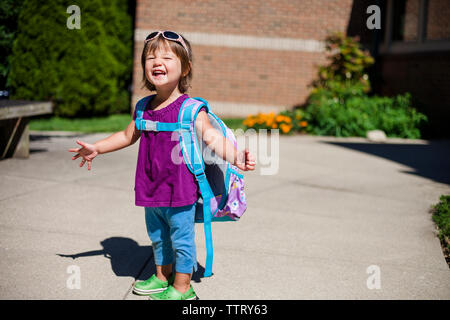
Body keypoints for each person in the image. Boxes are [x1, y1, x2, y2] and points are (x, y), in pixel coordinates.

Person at [68, 31, 256, 300]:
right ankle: (160, 276)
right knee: (157, 236)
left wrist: (235, 157)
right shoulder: (144, 106)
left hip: (180, 191)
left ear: (185, 67)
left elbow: (212, 137)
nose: (157, 61)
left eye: (167, 57)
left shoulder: (191, 109)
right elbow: (126, 136)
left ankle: (182, 287)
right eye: (150, 57)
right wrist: (97, 148)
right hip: (151, 188)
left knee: (181, 240)